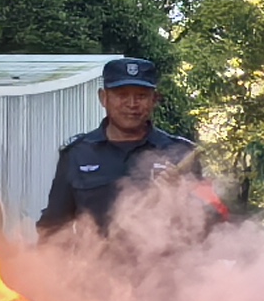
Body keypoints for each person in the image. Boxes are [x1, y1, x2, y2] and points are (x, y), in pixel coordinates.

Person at [36, 57, 212, 238]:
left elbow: (207, 227)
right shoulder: (77, 154)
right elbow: (53, 228)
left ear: (154, 99)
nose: (132, 104)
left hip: (164, 256)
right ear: (103, 98)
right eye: (122, 95)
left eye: (141, 96)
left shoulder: (181, 154)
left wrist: (180, 195)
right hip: (96, 256)